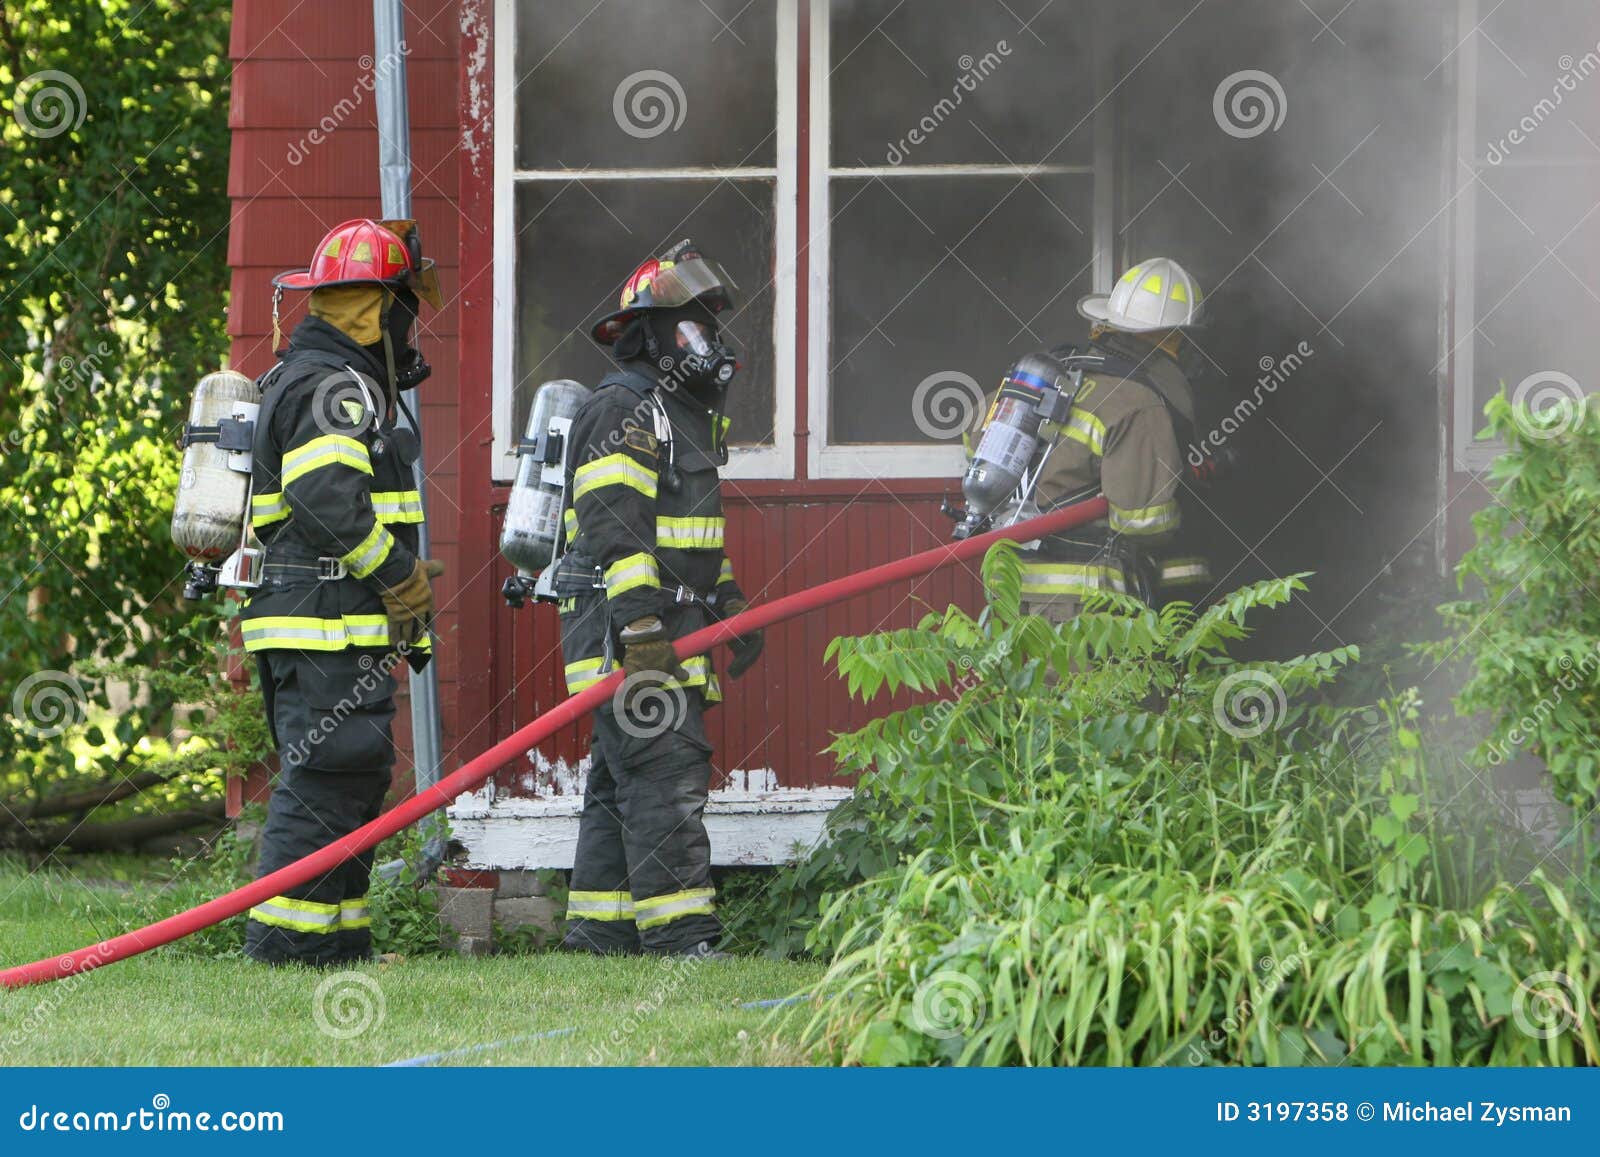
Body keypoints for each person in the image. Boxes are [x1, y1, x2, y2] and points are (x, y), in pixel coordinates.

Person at [240, 217, 444, 966]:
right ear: (376, 309)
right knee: (326, 772)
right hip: (321, 619)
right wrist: (398, 574)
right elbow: (327, 498)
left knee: (354, 771)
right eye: (401, 307)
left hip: (333, 622)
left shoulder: (327, 379)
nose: (407, 324)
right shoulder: (334, 386)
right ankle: (281, 944)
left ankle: (334, 941)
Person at [558, 239, 763, 958]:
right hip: (629, 625)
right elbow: (616, 530)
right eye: (694, 323)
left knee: (623, 777)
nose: (710, 339)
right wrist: (641, 626)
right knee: (666, 766)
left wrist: (731, 601)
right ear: (651, 333)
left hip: (668, 618)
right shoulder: (624, 410)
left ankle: (601, 932)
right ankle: (683, 938)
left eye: (711, 322)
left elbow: (691, 534)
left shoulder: (679, 413)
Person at [1019, 256, 1213, 620]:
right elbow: (1143, 522)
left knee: (1027, 679)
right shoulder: (1140, 403)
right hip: (1089, 606)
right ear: (1173, 337)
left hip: (1018, 591)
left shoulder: (1065, 375)